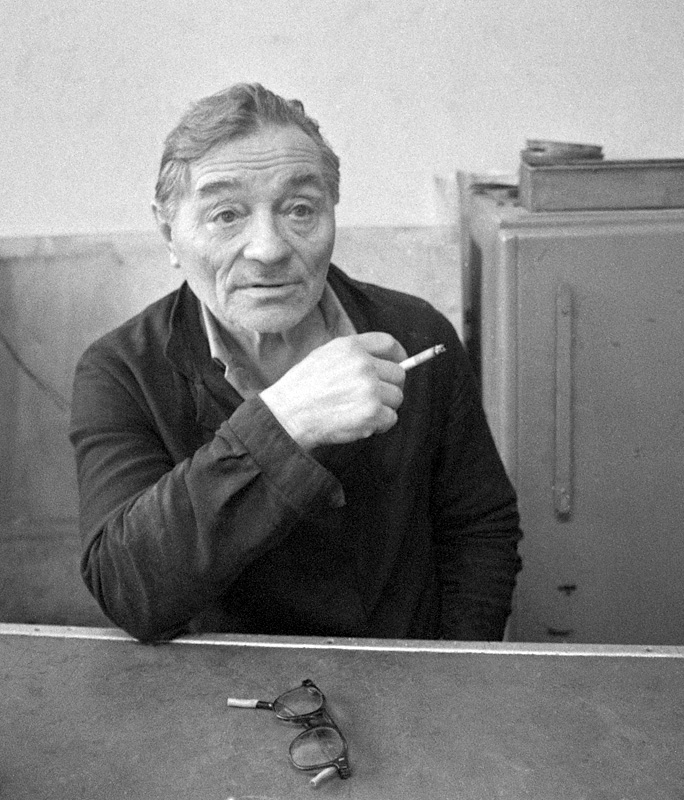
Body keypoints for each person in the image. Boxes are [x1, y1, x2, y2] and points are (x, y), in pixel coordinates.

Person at [69, 82, 522, 644]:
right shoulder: (121, 371)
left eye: (300, 209)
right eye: (226, 215)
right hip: (223, 683)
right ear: (168, 232)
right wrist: (283, 421)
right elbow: (127, 588)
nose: (269, 249)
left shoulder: (415, 333)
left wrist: (449, 668)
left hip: (409, 668)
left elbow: (480, 529)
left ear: (332, 213)